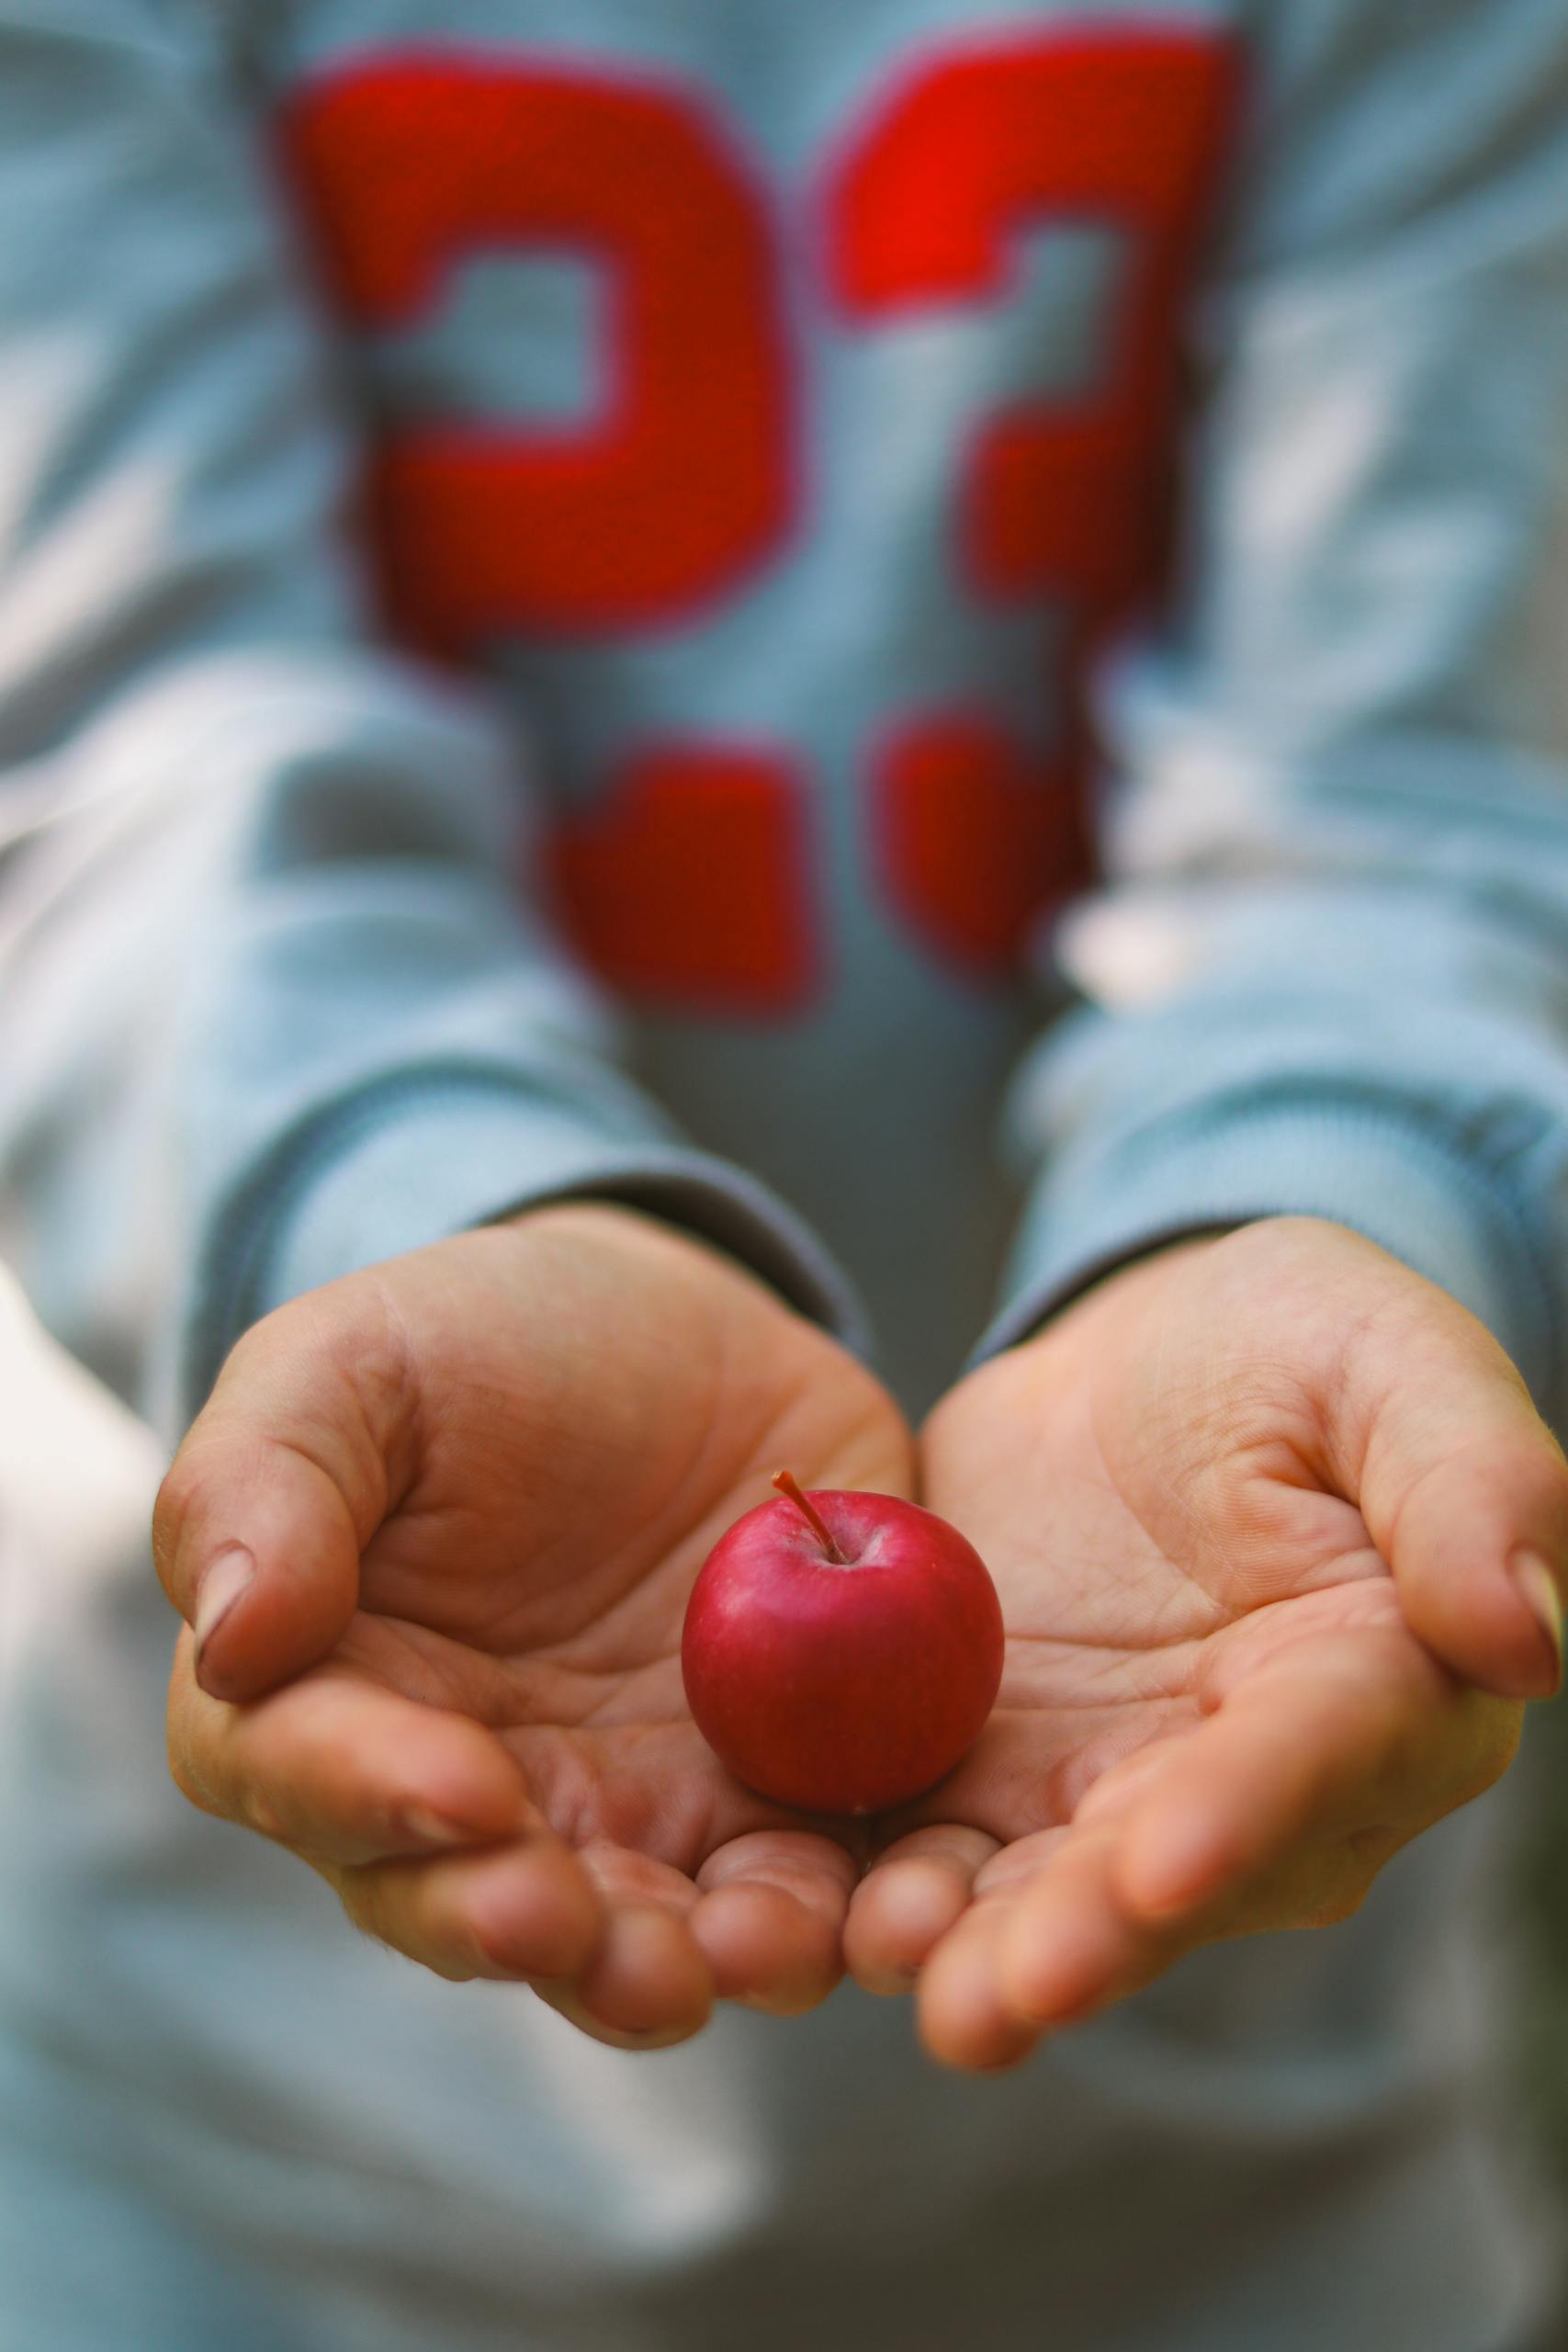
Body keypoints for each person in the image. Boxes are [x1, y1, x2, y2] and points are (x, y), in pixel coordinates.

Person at [1, 0, 1566, 2344]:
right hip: (234, 2139)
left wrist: (1315, 1195)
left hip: (1229, 2132)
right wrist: (415, 1209)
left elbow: (1412, 765)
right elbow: (117, 739)